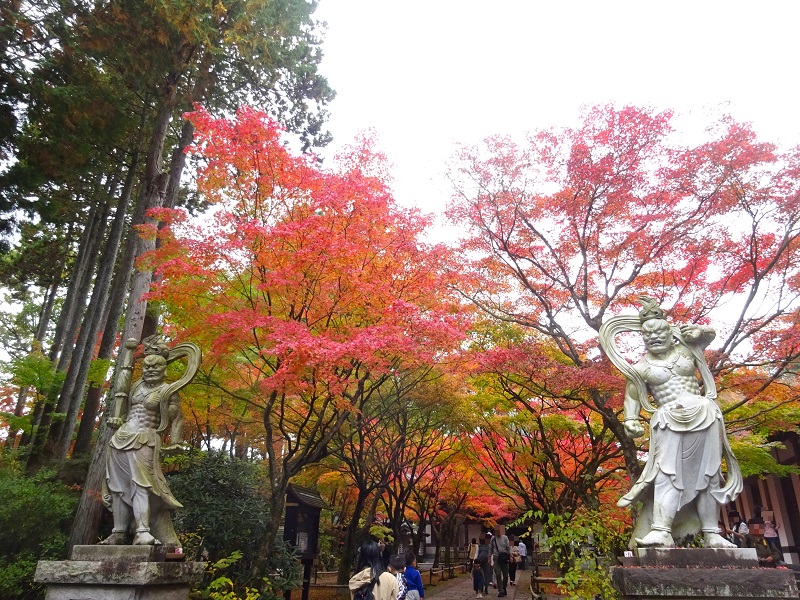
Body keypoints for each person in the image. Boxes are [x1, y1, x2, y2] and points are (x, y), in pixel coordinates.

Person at [599, 297, 743, 548]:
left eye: (659, 331)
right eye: (648, 334)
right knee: (666, 474)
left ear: (669, 331)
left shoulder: (687, 350)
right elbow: (631, 396)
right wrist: (631, 420)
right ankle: (661, 530)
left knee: (709, 474)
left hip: (704, 413)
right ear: (642, 338)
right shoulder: (641, 368)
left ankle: (712, 532)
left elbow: (707, 336)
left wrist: (701, 331)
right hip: (668, 419)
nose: (654, 337)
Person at [100, 352, 185, 546]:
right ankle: (119, 532)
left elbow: (177, 418)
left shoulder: (168, 390)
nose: (151, 370)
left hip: (146, 439)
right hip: (120, 438)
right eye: (147, 366)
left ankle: (142, 531)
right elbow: (125, 411)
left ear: (165, 370)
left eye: (156, 367)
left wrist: (175, 442)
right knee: (117, 487)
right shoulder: (135, 387)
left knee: (142, 485)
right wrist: (117, 419)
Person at [491, 526, 511, 597]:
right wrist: (488, 557)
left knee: (505, 575)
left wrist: (510, 556)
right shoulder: (493, 539)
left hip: (504, 558)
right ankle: (500, 590)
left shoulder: (505, 537)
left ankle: (504, 588)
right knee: (498, 574)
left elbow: (508, 547)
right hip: (496, 558)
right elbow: (490, 548)